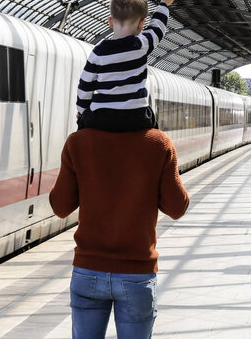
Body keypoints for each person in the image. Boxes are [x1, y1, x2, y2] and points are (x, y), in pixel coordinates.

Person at [49, 127, 189, 339]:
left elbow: (60, 207)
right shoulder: (158, 142)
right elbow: (177, 208)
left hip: (88, 271)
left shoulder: (78, 142)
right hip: (137, 274)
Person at [76, 0, 175, 132]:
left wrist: (82, 112)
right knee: (154, 129)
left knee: (82, 129)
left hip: (102, 117)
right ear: (142, 24)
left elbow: (85, 85)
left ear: (110, 21)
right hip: (136, 116)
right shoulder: (141, 44)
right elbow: (157, 27)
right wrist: (164, 3)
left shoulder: (98, 52)